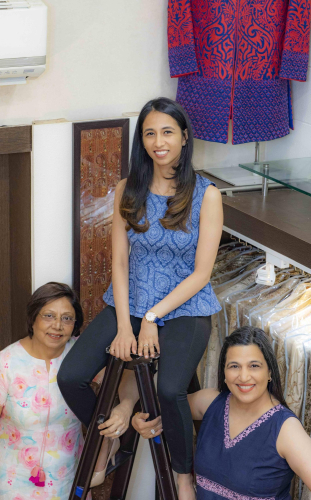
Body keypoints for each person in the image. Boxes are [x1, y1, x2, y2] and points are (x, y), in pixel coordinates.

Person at [57, 96, 223, 499]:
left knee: (169, 390)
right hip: (128, 301)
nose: (158, 141)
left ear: (184, 137)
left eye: (167, 131)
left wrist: (151, 317)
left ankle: (183, 476)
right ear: (141, 140)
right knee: (71, 376)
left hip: (185, 306)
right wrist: (122, 326)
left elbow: (202, 273)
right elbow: (118, 261)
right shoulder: (125, 190)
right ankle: (110, 437)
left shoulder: (207, 194)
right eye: (150, 133)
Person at [132, 326, 311, 500]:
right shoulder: (210, 402)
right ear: (224, 372)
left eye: (254, 366)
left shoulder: (286, 430)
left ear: (270, 372)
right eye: (234, 366)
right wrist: (132, 414)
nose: (244, 376)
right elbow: (160, 410)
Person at [0, 282, 137, 500]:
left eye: (67, 318)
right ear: (33, 318)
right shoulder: (6, 363)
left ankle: (106, 447)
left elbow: (127, 374)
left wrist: (126, 406)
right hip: (12, 484)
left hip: (70, 482)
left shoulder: (80, 355)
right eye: (48, 316)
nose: (57, 326)